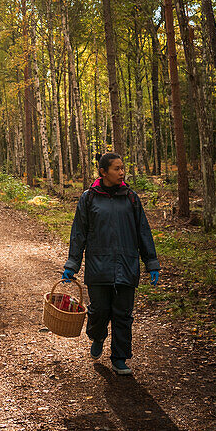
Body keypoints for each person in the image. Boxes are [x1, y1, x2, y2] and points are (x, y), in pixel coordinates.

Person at [62, 152, 159, 375]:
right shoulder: (89, 198)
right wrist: (72, 264)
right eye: (116, 169)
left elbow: (143, 231)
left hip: (127, 265)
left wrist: (151, 262)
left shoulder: (131, 198)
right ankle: (97, 336)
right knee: (98, 311)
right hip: (98, 266)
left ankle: (119, 358)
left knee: (123, 314)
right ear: (103, 172)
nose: (122, 172)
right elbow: (79, 233)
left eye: (122, 168)